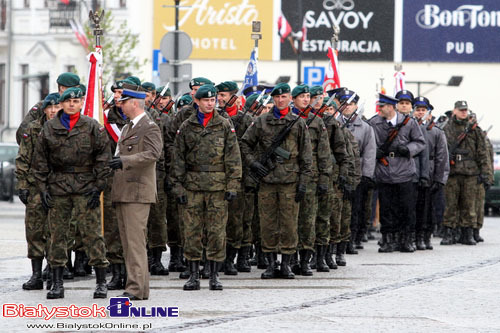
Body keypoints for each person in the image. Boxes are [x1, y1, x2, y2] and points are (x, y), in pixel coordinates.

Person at [33, 87, 111, 299]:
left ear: (81, 103)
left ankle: (101, 282)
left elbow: (103, 157)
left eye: (76, 101)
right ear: (62, 103)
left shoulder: (91, 126)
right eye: (67, 101)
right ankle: (57, 283)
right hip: (58, 187)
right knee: (57, 236)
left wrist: (99, 186)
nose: (71, 104)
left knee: (93, 235)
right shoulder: (50, 128)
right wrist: (43, 188)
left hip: (86, 187)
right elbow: (39, 161)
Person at [172, 84, 242, 291]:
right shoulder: (187, 126)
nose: (210, 103)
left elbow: (233, 157)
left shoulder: (224, 125)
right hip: (192, 186)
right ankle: (193, 274)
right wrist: (178, 187)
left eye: (213, 100)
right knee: (192, 230)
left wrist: (232, 185)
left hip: (218, 187)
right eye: (206, 100)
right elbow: (178, 159)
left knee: (217, 231)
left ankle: (213, 274)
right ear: (198, 102)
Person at [240, 82, 313, 280]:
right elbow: (245, 144)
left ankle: (287, 264)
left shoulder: (297, 123)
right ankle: (271, 264)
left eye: (284, 97)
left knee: (289, 224)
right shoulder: (262, 121)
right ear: (273, 99)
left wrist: (303, 183)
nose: (280, 100)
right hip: (266, 181)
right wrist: (254, 164)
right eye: (277, 97)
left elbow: (306, 157)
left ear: (290, 98)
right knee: (268, 224)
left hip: (290, 181)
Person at [109, 84, 163, 300]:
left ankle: (135, 288)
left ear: (133, 103)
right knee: (128, 243)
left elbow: (153, 153)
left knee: (135, 243)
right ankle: (138, 288)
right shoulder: (128, 127)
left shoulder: (148, 126)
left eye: (123, 102)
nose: (120, 106)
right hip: (125, 191)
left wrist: (124, 161)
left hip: (138, 193)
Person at [368, 93, 426, 253]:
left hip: (404, 171)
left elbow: (420, 142)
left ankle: (406, 239)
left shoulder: (408, 123)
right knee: (387, 208)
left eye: (383, 106)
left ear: (391, 107)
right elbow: (369, 143)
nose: (380, 109)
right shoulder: (374, 123)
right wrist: (375, 152)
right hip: (384, 171)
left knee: (406, 208)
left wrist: (407, 149)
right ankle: (388, 239)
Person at [16, 93, 60, 291]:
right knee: (34, 230)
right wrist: (23, 186)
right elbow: (23, 159)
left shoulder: (66, 128)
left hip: (59, 187)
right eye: (49, 107)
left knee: (57, 231)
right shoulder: (33, 129)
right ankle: (36, 274)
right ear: (44, 110)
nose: (52, 110)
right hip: (35, 186)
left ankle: (53, 271)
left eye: (56, 106)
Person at [290, 84, 332, 276]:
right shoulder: (287, 119)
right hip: (289, 176)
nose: (306, 99)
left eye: (308, 96)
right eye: (302, 96)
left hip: (311, 178)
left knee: (308, 220)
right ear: (294, 99)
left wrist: (324, 177)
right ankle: (290, 259)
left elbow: (324, 154)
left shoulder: (316, 122)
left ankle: (306, 260)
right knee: (290, 221)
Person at [216, 81, 254, 274]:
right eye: (219, 95)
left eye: (223, 95)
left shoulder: (246, 120)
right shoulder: (215, 118)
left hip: (241, 177)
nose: (220, 99)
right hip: (217, 177)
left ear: (234, 97)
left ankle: (237, 257)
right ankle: (218, 257)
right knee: (218, 220)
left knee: (239, 220)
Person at [441, 101, 490, 245]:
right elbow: (441, 151)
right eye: (460, 110)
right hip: (453, 171)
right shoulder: (446, 128)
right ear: (454, 111)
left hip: (470, 172)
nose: (463, 112)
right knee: (450, 204)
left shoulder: (475, 130)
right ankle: (449, 233)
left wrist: (485, 173)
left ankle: (467, 233)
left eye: (465, 110)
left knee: (469, 205)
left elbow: (482, 153)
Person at [337, 89, 376, 252]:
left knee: (356, 209)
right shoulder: (334, 123)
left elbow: (369, 152)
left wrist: (367, 174)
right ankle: (338, 241)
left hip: (357, 173)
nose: (347, 107)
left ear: (356, 106)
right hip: (338, 172)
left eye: (351, 104)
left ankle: (352, 239)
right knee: (339, 209)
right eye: (344, 103)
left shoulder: (365, 128)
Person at [413, 97, 449, 250]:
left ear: (429, 113)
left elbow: (442, 156)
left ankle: (425, 236)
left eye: (423, 110)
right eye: (418, 110)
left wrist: (440, 178)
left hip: (430, 172)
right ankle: (412, 235)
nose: (420, 113)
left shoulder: (436, 132)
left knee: (428, 208)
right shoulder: (409, 128)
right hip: (412, 172)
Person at [16, 72, 80, 144]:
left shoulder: (80, 106)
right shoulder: (43, 106)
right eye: (72, 89)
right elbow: (22, 133)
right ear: (62, 88)